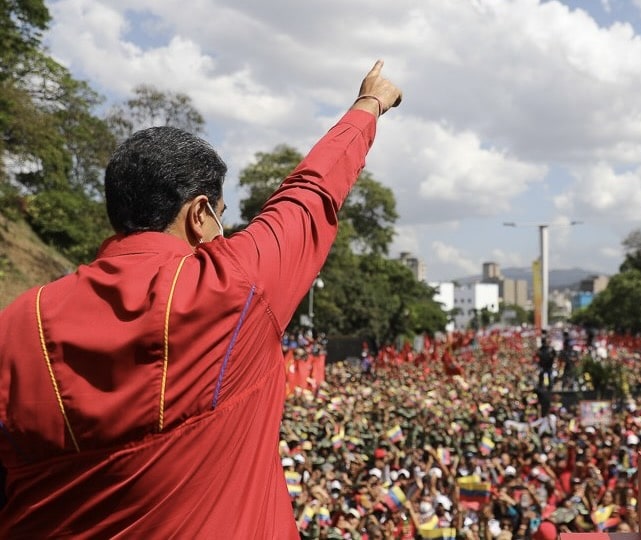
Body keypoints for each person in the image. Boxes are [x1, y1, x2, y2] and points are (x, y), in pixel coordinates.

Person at [0, 60, 402, 538]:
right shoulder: (232, 288)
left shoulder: (15, 323)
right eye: (221, 216)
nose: (223, 231)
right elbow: (310, 193)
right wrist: (369, 104)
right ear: (199, 214)